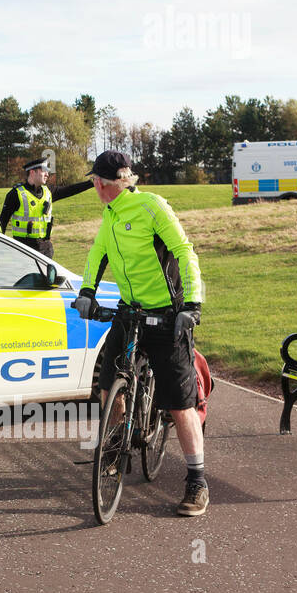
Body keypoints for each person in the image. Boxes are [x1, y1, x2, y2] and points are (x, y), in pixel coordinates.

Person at [71, 151, 209, 517]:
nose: (94, 187)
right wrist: (87, 291)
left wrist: (191, 304)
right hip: (130, 312)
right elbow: (98, 253)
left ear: (103, 182)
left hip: (167, 316)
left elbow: (184, 251)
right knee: (107, 384)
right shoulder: (110, 214)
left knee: (180, 405)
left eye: (95, 181)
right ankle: (115, 451)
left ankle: (197, 481)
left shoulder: (151, 206)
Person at [0, 156, 93, 257]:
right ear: (32, 172)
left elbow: (70, 189)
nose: (47, 174)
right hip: (24, 250)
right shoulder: (16, 194)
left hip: (45, 249)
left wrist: (90, 183)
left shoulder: (48, 191)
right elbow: (2, 223)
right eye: (44, 171)